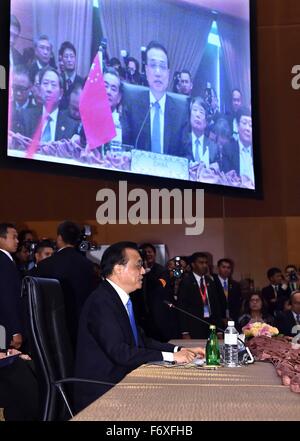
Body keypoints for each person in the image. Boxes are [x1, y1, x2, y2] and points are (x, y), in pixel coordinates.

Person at [74, 241, 204, 412]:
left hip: (121, 380)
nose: (143, 271)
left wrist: (179, 350)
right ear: (118, 269)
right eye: (138, 266)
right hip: (103, 391)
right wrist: (171, 357)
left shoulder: (117, 298)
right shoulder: (102, 302)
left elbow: (142, 341)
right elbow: (120, 352)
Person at [35, 221, 96, 350]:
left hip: (53, 326)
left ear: (59, 238)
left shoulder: (45, 265)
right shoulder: (88, 265)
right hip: (82, 325)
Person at [122, 41, 189, 156]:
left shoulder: (180, 112)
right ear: (146, 71)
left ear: (168, 73)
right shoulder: (132, 105)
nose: (158, 73)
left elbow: (186, 154)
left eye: (162, 67)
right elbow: (124, 147)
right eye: (153, 66)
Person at [20, 67, 79, 142]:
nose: (49, 89)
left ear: (61, 93)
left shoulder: (71, 125)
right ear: (40, 90)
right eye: (45, 83)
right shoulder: (26, 117)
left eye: (53, 85)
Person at [177, 252, 223, 339]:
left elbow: (216, 306)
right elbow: (181, 307)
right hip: (194, 326)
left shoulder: (210, 281)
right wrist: (185, 331)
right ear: (193, 265)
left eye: (206, 262)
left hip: (210, 325)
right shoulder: (186, 281)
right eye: (201, 263)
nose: (205, 265)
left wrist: (219, 330)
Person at [0, 223, 23, 350]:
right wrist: (15, 331)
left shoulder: (7, 260)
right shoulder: (3, 262)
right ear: (1, 238)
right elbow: (6, 297)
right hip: (6, 328)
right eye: (13, 237)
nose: (17, 241)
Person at [222, 106, 254, 186]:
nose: (248, 128)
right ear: (237, 125)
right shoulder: (228, 149)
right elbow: (227, 180)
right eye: (244, 123)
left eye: (250, 125)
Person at [184, 96, 218, 165]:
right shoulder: (181, 142)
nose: (197, 115)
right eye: (195, 110)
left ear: (206, 121)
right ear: (190, 116)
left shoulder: (213, 147)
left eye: (201, 112)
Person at [213, 258, 242, 325]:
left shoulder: (235, 285)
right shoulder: (212, 282)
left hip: (232, 320)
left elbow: (237, 303)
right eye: (223, 267)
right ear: (218, 268)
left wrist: (233, 317)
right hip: (216, 320)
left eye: (228, 268)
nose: (226, 270)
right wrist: (220, 318)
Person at [59, 41, 84, 109]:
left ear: (75, 59)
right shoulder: (58, 80)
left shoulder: (82, 82)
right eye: (66, 57)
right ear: (62, 60)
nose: (69, 60)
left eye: (72, 56)